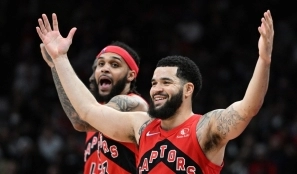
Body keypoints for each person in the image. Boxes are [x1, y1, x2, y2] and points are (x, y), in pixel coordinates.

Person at [36, 9, 274, 173]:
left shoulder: (204, 129)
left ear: (188, 89)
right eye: (154, 83)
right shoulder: (141, 128)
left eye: (166, 82)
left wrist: (263, 60)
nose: (157, 89)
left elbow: (247, 108)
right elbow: (86, 112)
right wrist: (60, 58)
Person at [39, 40, 148, 174]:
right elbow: (78, 115)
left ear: (130, 75)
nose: (105, 68)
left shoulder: (135, 104)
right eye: (101, 64)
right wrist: (55, 65)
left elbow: (79, 119)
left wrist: (59, 60)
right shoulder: (96, 111)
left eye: (115, 64)